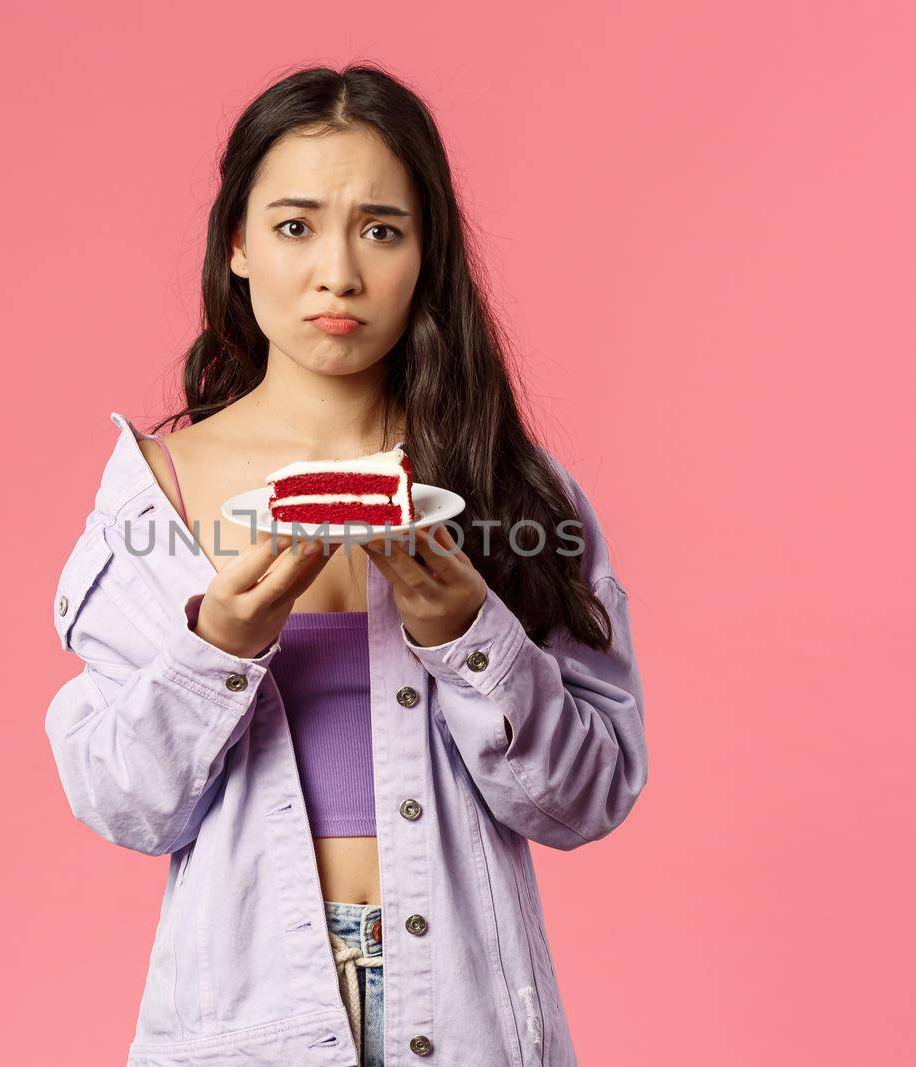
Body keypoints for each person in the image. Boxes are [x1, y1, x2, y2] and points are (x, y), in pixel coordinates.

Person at [44, 63, 648, 1067]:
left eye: (379, 227)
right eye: (293, 226)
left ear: (426, 253)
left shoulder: (511, 491)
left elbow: (587, 796)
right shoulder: (157, 496)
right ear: (235, 243)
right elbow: (126, 804)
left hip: (464, 1022)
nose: (338, 272)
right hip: (246, 1021)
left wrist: (467, 632)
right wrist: (220, 644)